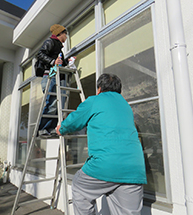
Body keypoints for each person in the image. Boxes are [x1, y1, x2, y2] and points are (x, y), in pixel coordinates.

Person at [56, 73, 147, 215]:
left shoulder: (95, 101)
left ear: (99, 89)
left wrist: (61, 129)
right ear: (119, 90)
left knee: (79, 187)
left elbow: (73, 121)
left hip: (105, 165)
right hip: (134, 169)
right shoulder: (126, 106)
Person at [37, 24, 69, 137]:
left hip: (56, 77)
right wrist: (52, 62)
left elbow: (60, 62)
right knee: (51, 103)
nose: (66, 36)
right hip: (50, 77)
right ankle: (42, 129)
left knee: (56, 105)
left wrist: (67, 61)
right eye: (65, 33)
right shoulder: (50, 42)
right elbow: (40, 54)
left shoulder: (59, 47)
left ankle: (50, 129)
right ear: (60, 33)